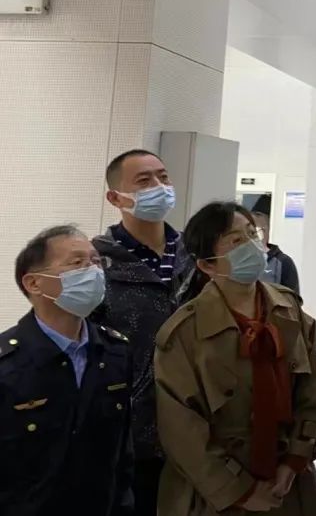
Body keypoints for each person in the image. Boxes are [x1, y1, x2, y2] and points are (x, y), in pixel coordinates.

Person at [154, 201, 316, 516]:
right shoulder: (184, 333)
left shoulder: (289, 313)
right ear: (208, 265)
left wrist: (295, 459)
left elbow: (310, 393)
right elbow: (181, 430)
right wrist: (240, 491)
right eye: (235, 241)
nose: (251, 246)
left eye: (251, 234)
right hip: (216, 496)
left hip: (288, 485)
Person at [1, 225, 135, 516]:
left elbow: (122, 455)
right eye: (77, 263)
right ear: (34, 283)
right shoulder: (7, 363)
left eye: (96, 261)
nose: (94, 271)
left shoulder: (115, 351)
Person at [92, 148, 194, 516]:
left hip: (201, 428)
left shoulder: (197, 257)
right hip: (133, 434)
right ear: (115, 198)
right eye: (144, 181)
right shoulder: (96, 264)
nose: (159, 187)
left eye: (163, 177)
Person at [250, 194, 301, 293]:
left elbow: (292, 300)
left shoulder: (283, 263)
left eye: (258, 215)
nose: (253, 219)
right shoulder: (239, 259)